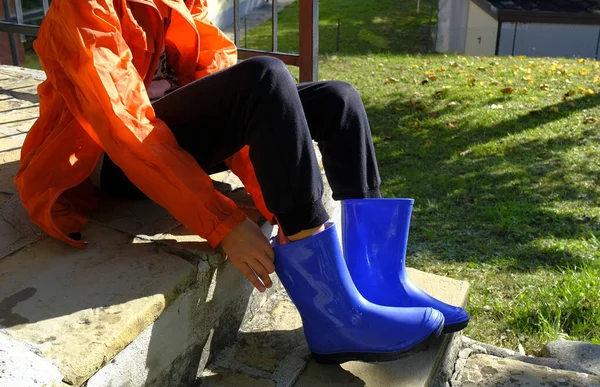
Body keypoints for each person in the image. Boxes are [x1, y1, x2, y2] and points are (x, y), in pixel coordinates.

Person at [16, 0, 466, 364]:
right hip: (107, 156)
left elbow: (223, 93)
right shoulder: (79, 9)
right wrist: (222, 222)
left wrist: (273, 200)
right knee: (266, 77)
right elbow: (124, 128)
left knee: (337, 100)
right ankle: (333, 315)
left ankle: (377, 279)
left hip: (172, 136)